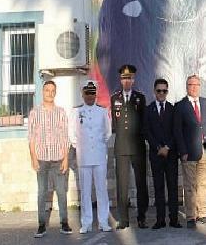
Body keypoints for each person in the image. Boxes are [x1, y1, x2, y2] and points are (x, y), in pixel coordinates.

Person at [28, 80, 72, 238]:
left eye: (53, 90)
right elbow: (31, 137)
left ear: (55, 92)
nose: (50, 93)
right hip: (41, 159)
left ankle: (64, 223)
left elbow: (65, 136)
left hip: (58, 159)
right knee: (42, 192)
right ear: (42, 92)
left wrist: (66, 158)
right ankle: (41, 225)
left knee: (61, 191)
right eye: (47, 90)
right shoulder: (35, 112)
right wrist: (33, 158)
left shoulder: (60, 112)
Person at [68, 81, 112, 233]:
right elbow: (72, 133)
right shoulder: (76, 112)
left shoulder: (102, 111)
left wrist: (98, 146)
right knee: (85, 191)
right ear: (82, 94)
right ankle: (86, 222)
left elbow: (107, 133)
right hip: (84, 156)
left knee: (101, 190)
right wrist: (80, 147)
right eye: (87, 93)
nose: (90, 96)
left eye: (92, 93)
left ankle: (103, 221)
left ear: (96, 94)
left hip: (99, 156)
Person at [110, 64, 149, 229]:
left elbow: (144, 122)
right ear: (120, 80)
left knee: (141, 183)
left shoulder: (140, 98)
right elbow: (114, 122)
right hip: (121, 147)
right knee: (122, 185)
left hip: (137, 146)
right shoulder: (115, 98)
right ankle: (123, 219)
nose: (127, 81)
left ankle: (141, 217)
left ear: (133, 80)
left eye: (130, 78)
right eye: (124, 78)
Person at [174, 75, 206, 228]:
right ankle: (191, 216)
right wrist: (182, 151)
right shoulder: (180, 106)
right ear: (187, 86)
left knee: (204, 183)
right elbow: (177, 131)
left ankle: (202, 213)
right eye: (191, 85)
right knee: (190, 185)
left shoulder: (205, 102)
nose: (194, 87)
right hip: (189, 151)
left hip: (205, 150)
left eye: (197, 85)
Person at [144, 78, 182, 229]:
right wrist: (158, 147)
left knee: (172, 187)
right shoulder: (148, 110)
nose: (161, 93)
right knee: (158, 187)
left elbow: (176, 131)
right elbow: (146, 131)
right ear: (154, 91)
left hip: (171, 154)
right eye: (159, 90)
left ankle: (174, 219)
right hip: (156, 154)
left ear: (167, 92)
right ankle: (160, 220)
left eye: (164, 91)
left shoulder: (173, 109)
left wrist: (167, 147)